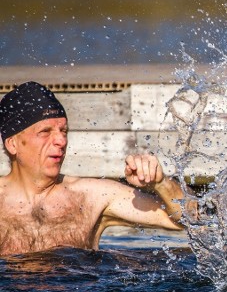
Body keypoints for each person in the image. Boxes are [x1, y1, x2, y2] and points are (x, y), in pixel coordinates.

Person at [0, 82, 194, 255]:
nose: (61, 140)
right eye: (45, 132)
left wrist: (161, 184)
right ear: (13, 144)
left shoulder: (92, 196)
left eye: (63, 131)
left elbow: (190, 220)